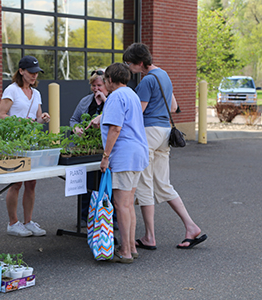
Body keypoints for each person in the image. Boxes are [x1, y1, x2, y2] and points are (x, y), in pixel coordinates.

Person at [123, 42, 207, 249]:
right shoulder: (164, 75)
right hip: (165, 132)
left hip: (148, 133)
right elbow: (174, 106)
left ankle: (149, 237)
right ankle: (191, 226)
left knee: (144, 185)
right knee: (163, 184)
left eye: (129, 63)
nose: (128, 67)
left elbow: (138, 113)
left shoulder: (145, 82)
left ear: (140, 63)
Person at [89, 62, 149, 263]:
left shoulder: (115, 97)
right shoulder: (132, 94)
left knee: (121, 205)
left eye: (105, 80)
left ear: (110, 80)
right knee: (128, 204)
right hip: (138, 153)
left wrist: (105, 157)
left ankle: (125, 251)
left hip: (124, 154)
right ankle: (131, 246)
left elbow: (115, 129)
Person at [0, 55, 50, 237]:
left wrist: (43, 119)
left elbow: (37, 118)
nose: (34, 75)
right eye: (31, 72)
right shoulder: (11, 90)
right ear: (21, 71)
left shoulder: (36, 93)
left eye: (37, 72)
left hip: (31, 141)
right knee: (16, 182)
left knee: (32, 182)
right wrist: (20, 123)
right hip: (14, 142)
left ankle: (28, 222)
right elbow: (1, 115)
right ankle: (13, 223)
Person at [69, 69, 109, 227]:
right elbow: (74, 119)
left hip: (104, 147)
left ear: (106, 84)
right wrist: (76, 129)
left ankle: (107, 217)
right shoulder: (85, 101)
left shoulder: (112, 100)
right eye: (93, 85)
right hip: (87, 147)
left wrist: (105, 99)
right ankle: (84, 216)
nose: (96, 88)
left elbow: (117, 116)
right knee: (87, 184)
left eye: (99, 85)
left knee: (104, 184)